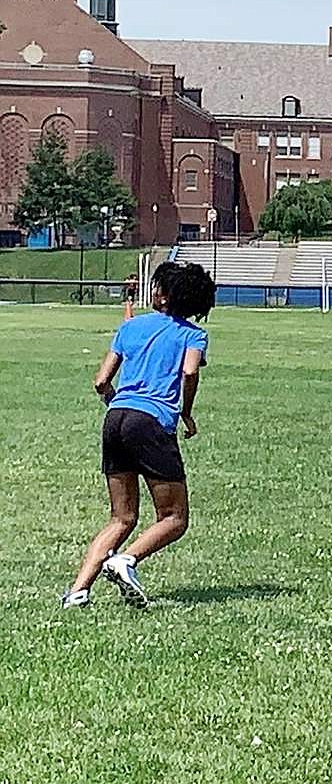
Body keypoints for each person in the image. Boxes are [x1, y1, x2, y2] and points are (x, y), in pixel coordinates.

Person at [62, 261, 215, 611]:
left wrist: (116, 402)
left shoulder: (130, 327)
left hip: (115, 418)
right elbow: (190, 371)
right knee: (174, 517)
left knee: (121, 517)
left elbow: (101, 381)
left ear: (164, 293)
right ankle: (126, 561)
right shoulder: (193, 335)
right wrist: (186, 412)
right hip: (151, 422)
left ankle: (78, 592)